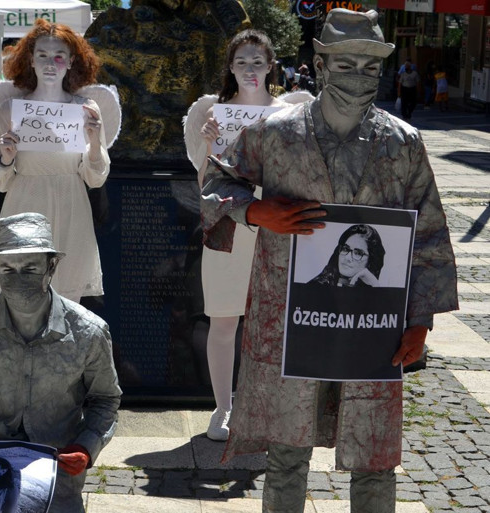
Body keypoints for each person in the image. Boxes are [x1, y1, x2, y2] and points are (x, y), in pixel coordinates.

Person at [200, 9, 458, 510]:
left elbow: (427, 235)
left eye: (369, 66)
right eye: (346, 64)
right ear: (319, 65)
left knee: (374, 456)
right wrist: (254, 210)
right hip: (292, 320)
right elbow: (214, 185)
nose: (359, 77)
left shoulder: (402, 143)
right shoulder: (275, 133)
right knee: (287, 452)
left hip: (373, 324)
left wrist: (420, 321)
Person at [0, 212, 121, 513]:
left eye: (30, 268)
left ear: (51, 266)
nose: (18, 279)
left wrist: (86, 447)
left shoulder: (88, 332)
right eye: (8, 269)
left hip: (57, 465)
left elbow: (105, 398)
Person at [183, 29, 290, 442]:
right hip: (227, 227)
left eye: (258, 62)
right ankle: (223, 408)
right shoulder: (214, 113)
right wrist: (209, 146)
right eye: (242, 61)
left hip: (276, 226)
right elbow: (203, 183)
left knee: (273, 325)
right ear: (230, 66)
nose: (250, 69)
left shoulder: (289, 113)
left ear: (270, 66)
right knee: (223, 321)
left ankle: (267, 405)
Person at [0, 19, 121, 303]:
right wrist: (7, 160)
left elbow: (95, 178)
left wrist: (94, 142)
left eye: (59, 56)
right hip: (24, 203)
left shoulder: (86, 109)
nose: (50, 63)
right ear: (30, 60)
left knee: (68, 299)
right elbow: (1, 182)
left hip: (72, 206)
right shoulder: (10, 109)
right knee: (21, 298)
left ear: (71, 62)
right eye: (42, 55)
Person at [309, 224, 385, 287]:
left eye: (358, 253)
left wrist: (375, 286)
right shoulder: (317, 286)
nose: (347, 257)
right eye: (345, 249)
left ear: (371, 260)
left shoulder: (372, 289)